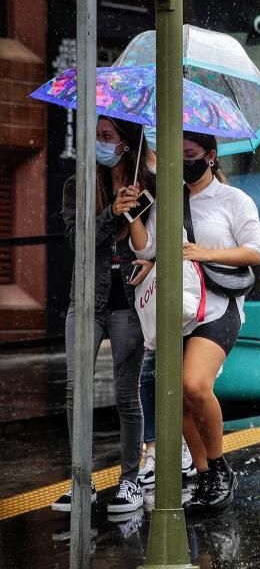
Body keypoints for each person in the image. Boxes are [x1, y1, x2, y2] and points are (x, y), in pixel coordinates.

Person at [127, 131, 260, 513]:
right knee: (176, 398)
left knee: (194, 384)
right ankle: (205, 474)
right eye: (178, 154)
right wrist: (131, 213)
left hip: (220, 305)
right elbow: (146, 249)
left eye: (191, 154)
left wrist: (202, 252)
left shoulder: (233, 199)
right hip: (179, 308)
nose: (184, 161)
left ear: (210, 156)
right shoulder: (166, 199)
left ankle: (219, 466)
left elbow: (255, 252)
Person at [52, 115, 149, 515]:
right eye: (97, 136)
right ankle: (81, 482)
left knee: (127, 395)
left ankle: (130, 480)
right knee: (77, 391)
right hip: (86, 301)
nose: (101, 143)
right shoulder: (78, 185)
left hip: (127, 303)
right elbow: (79, 241)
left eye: (108, 136)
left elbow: (152, 247)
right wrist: (111, 211)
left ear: (126, 143)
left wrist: (136, 207)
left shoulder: (149, 187)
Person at [130, 125, 198, 490]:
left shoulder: (183, 186)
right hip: (162, 288)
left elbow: (185, 241)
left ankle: (182, 449)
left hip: (188, 290)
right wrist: (134, 210)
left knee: (180, 377)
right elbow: (142, 248)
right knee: (150, 373)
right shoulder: (148, 186)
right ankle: (159, 449)